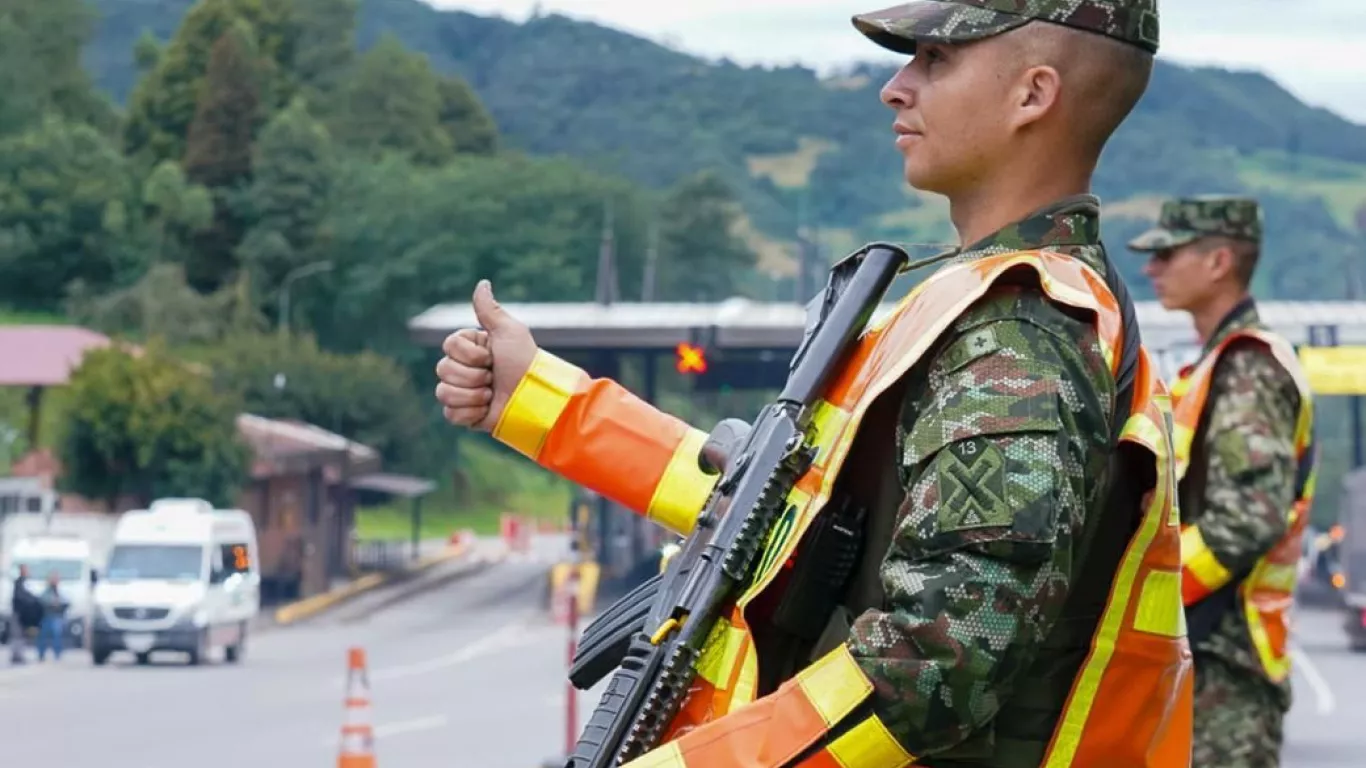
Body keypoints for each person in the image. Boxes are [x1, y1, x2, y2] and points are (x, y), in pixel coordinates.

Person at [437, 1, 1193, 765]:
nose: (895, 88)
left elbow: (937, 659)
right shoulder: (983, 306)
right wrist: (536, 401)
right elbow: (779, 517)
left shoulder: (1018, 332)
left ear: (1032, 95)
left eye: (935, 60)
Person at [1130, 196, 1316, 768]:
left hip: (1227, 660)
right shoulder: (1218, 365)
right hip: (1209, 653)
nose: (1151, 268)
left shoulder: (1248, 367)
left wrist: (1155, 595)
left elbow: (1248, 518)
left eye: (1167, 253)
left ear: (1218, 262)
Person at [8, 564, 40, 665]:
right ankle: (16, 656)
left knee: (21, 635)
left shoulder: (26, 583)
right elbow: (21, 597)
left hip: (24, 615)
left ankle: (19, 655)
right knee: (17, 635)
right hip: (18, 613)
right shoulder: (19, 583)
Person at [36, 570, 70, 662]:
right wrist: (52, 603)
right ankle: (41, 654)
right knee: (43, 637)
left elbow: (65, 601)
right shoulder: (46, 591)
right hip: (47, 616)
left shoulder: (59, 591)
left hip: (57, 616)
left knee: (57, 635)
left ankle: (57, 654)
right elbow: (43, 600)